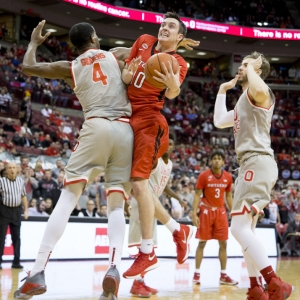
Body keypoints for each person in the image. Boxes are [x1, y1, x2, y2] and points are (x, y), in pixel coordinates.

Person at [14, 20, 137, 300]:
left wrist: (33, 43)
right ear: (94, 37)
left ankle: (37, 271)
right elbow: (145, 50)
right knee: (116, 204)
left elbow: (29, 66)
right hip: (125, 129)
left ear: (74, 45)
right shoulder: (116, 54)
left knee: (68, 198)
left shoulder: (69, 66)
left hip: (96, 126)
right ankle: (114, 267)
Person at [119, 11, 196, 280]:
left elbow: (173, 93)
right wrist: (127, 76)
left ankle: (148, 252)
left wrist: (174, 87)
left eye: (171, 26)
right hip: (127, 117)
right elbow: (127, 74)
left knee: (139, 185)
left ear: (180, 37)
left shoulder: (178, 62)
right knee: (137, 188)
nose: (164, 27)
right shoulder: (143, 40)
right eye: (163, 24)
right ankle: (177, 229)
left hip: (150, 122)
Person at [213, 51, 293, 300]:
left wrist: (253, 65)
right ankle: (255, 286)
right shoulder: (242, 101)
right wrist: (223, 90)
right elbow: (218, 121)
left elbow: (257, 84)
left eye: (245, 63)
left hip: (256, 163)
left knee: (237, 227)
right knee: (246, 228)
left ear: (256, 70)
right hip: (251, 165)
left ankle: (274, 282)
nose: (240, 66)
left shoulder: (261, 92)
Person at [128, 138, 186, 297]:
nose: (168, 147)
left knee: (148, 247)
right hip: (142, 203)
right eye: (166, 144)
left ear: (174, 148)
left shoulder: (170, 164)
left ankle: (139, 282)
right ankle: (136, 284)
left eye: (171, 144)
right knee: (142, 245)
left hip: (152, 207)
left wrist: (178, 198)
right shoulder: (155, 160)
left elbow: (165, 185)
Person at [192, 150, 238, 286]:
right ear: (211, 161)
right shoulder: (203, 176)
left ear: (223, 161)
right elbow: (196, 195)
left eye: (219, 158)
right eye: (215, 158)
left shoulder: (228, 177)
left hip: (221, 212)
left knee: (223, 243)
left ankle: (223, 275)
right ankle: (196, 274)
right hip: (206, 211)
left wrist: (234, 212)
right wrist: (194, 213)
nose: (217, 160)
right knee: (202, 243)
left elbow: (228, 196)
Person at [0, 162, 28, 270]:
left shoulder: (21, 181)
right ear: (6, 170)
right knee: (1, 237)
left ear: (17, 170)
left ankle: (16, 262)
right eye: (10, 168)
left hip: (16, 211)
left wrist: (26, 211)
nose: (12, 170)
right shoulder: (1, 181)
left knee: (16, 238)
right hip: (4, 211)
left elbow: (24, 196)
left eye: (14, 168)